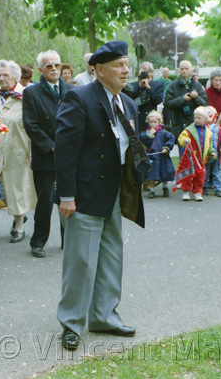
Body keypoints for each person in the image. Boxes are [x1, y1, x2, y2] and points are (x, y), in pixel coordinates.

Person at [54, 40, 146, 350]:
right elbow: (65, 152)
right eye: (119, 65)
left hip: (114, 193)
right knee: (80, 261)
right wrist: (66, 195)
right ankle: (71, 323)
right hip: (83, 195)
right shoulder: (78, 98)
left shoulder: (128, 103)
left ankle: (105, 316)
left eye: (126, 64)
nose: (126, 69)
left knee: (110, 258)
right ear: (99, 70)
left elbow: (125, 143)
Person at [22, 50, 74, 258]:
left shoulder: (71, 90)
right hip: (46, 155)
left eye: (57, 65)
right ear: (41, 70)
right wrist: (52, 145)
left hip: (69, 155)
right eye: (49, 66)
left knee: (69, 198)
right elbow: (31, 125)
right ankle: (38, 241)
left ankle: (68, 240)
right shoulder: (31, 93)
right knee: (45, 201)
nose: (54, 69)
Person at [0, 60, 37, 242]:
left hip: (18, 149)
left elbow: (31, 126)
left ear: (16, 76)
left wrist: (31, 152)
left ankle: (19, 227)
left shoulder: (26, 96)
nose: (2, 78)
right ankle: (17, 216)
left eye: (6, 75)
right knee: (0, 186)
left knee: (17, 188)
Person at [164, 60, 208, 157]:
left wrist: (196, 97)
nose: (184, 71)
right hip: (179, 126)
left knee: (196, 156)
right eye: (182, 69)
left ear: (191, 70)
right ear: (179, 70)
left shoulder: (197, 86)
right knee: (183, 156)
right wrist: (182, 99)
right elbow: (167, 103)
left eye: (186, 69)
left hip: (195, 125)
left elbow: (205, 104)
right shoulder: (173, 86)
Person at [177, 106, 216, 201]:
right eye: (195, 117)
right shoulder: (189, 130)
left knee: (200, 176)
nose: (197, 120)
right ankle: (186, 191)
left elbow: (209, 144)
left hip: (201, 159)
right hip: (190, 157)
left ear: (206, 119)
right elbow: (181, 138)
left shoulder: (208, 132)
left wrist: (212, 152)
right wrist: (185, 140)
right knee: (188, 175)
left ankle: (198, 191)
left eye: (199, 118)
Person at [139, 110, 175, 198]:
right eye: (151, 122)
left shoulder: (163, 132)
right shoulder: (147, 133)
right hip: (152, 157)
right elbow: (143, 139)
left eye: (155, 122)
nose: (153, 124)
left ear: (159, 122)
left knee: (164, 172)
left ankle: (165, 188)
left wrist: (166, 147)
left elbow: (171, 138)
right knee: (152, 174)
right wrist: (150, 136)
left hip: (162, 156)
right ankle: (152, 190)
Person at [127, 61, 164, 132]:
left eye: (146, 72)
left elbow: (158, 100)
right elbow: (129, 99)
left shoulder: (157, 85)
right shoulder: (134, 85)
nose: (144, 74)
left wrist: (148, 88)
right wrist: (139, 87)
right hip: (137, 118)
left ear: (151, 73)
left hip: (150, 120)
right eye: (142, 71)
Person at [203, 106, 221, 197]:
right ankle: (204, 186)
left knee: (217, 172)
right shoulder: (203, 127)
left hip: (217, 155)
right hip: (207, 155)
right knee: (206, 172)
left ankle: (218, 189)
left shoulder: (219, 128)